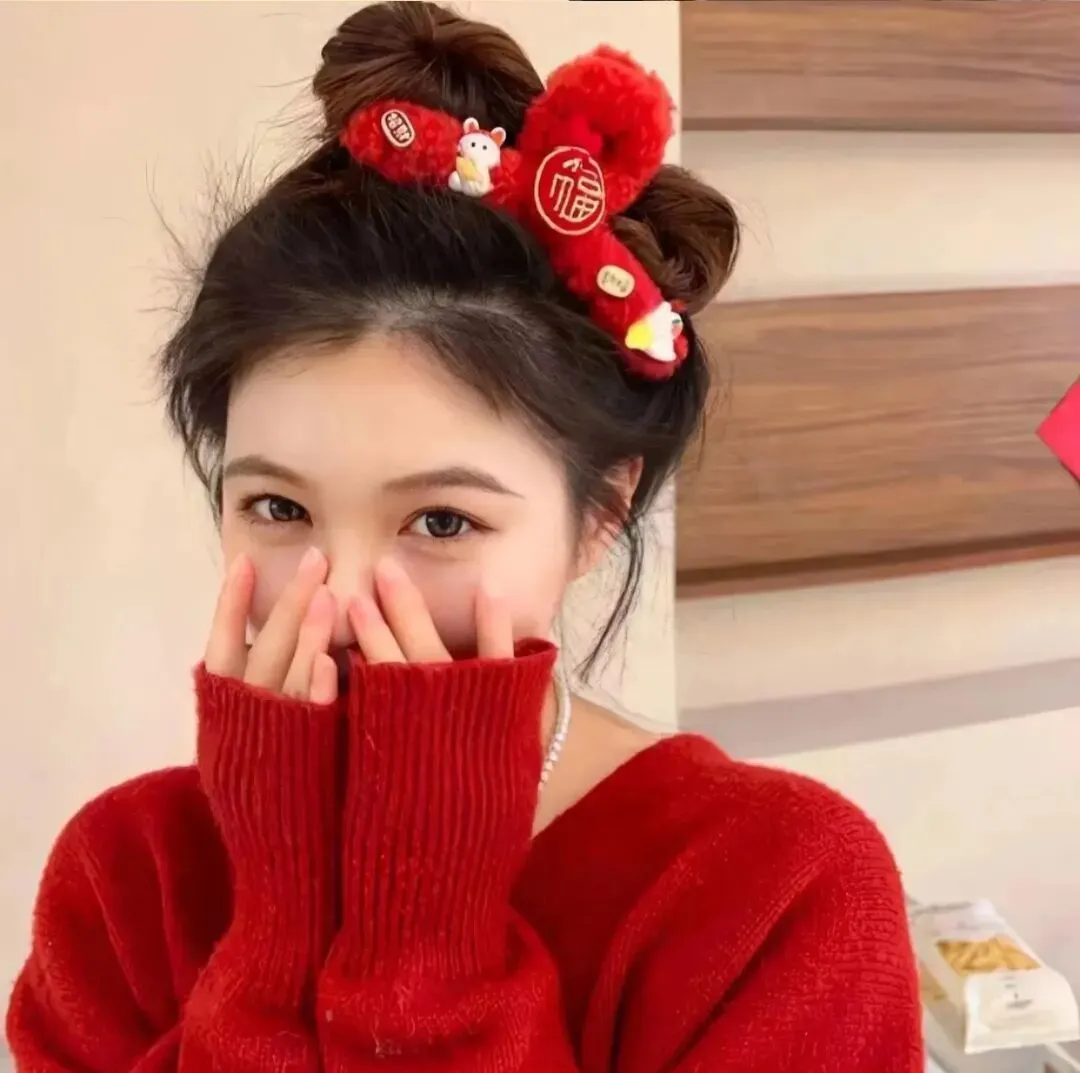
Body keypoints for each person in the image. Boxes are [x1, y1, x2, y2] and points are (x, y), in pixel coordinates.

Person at [6, 4, 923, 1071]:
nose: (340, 597)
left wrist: (423, 949)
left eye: (442, 520)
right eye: (278, 508)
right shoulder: (130, 875)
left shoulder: (776, 888)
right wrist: (276, 937)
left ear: (599, 516)